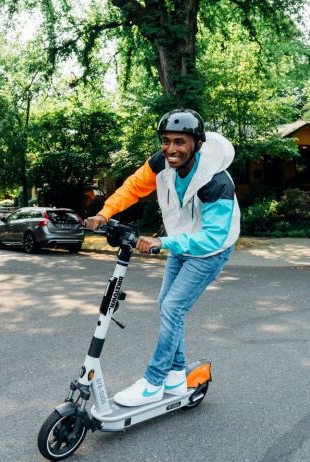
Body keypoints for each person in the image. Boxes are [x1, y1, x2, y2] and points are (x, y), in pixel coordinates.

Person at [84, 109, 240, 407]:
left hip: (210, 251)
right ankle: (177, 375)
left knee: (172, 306)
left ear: (196, 143)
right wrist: (105, 213)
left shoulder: (217, 183)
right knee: (167, 305)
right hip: (182, 243)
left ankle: (154, 382)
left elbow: (213, 237)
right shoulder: (160, 163)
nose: (171, 149)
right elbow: (132, 187)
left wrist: (161, 242)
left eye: (180, 142)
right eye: (166, 141)